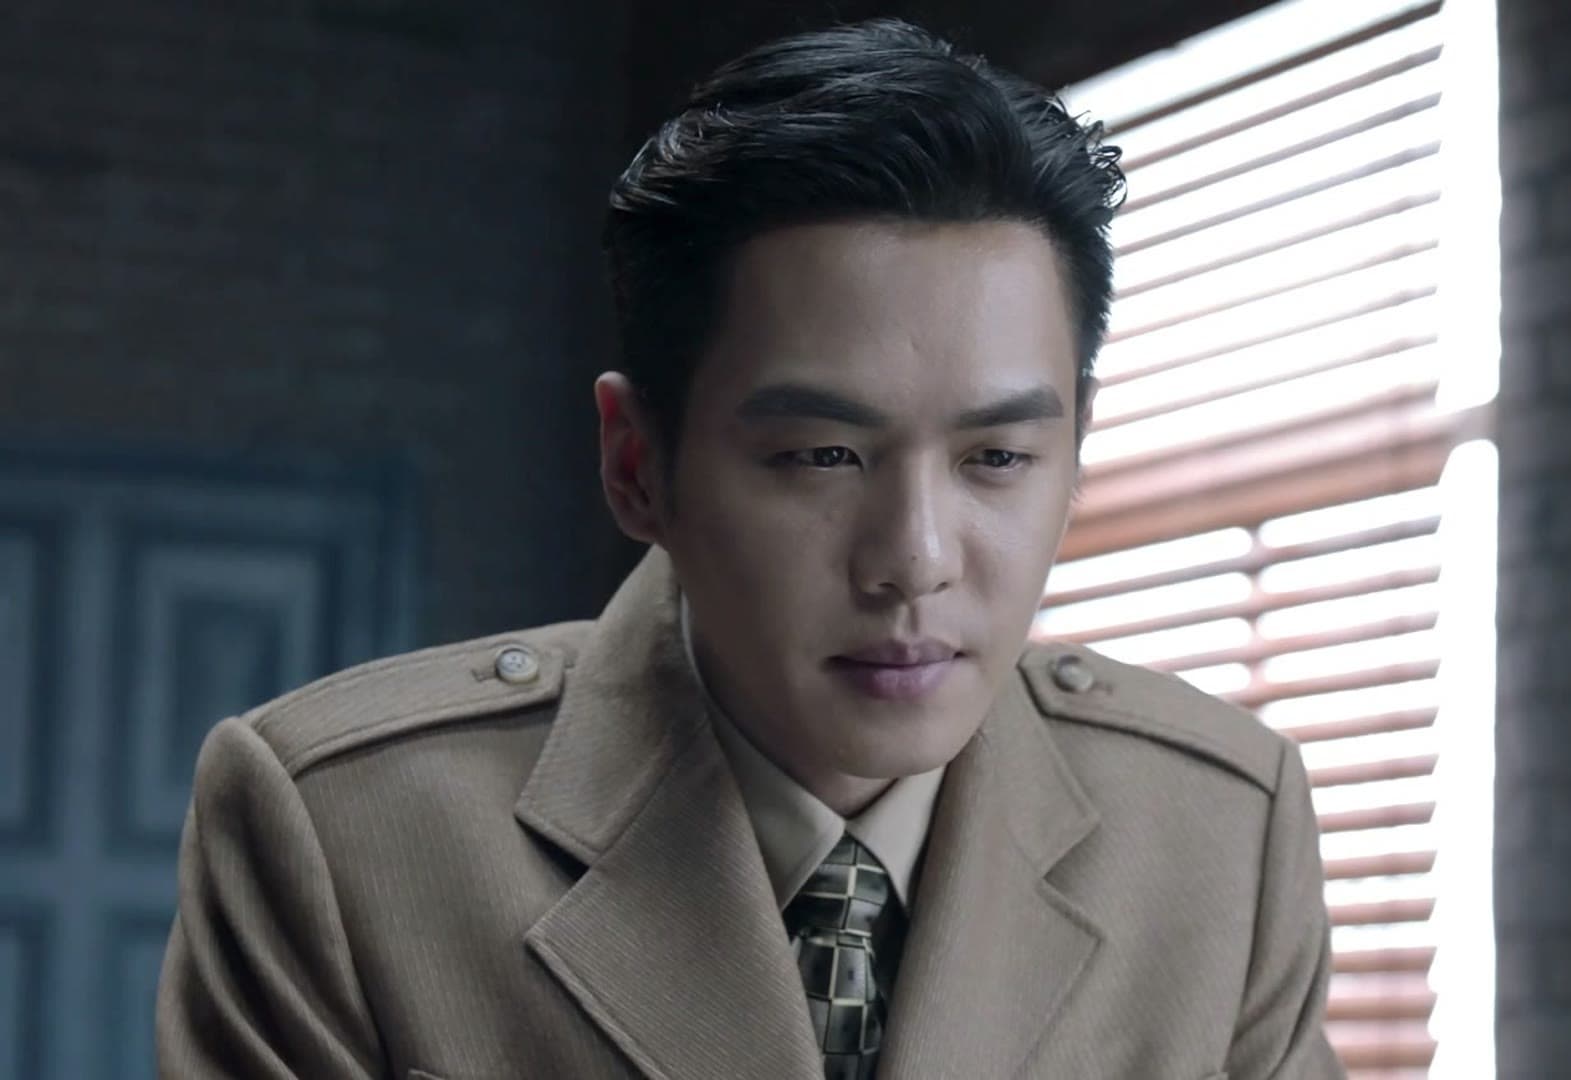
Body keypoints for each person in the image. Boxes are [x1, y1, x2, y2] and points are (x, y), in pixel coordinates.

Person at [155, 18, 1342, 1080]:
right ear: (637, 464)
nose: (915, 559)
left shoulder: (1218, 834)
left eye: (996, 458)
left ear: (1075, 453)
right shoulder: (343, 833)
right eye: (821, 455)